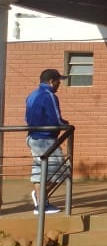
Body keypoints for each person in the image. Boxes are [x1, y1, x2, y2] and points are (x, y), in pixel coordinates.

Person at [24, 68, 71, 214]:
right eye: (58, 81)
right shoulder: (49, 95)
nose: (59, 84)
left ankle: (41, 204)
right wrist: (66, 124)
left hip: (33, 137)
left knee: (40, 170)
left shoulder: (32, 95)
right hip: (45, 139)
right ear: (51, 81)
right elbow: (55, 118)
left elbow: (27, 118)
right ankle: (41, 199)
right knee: (60, 171)